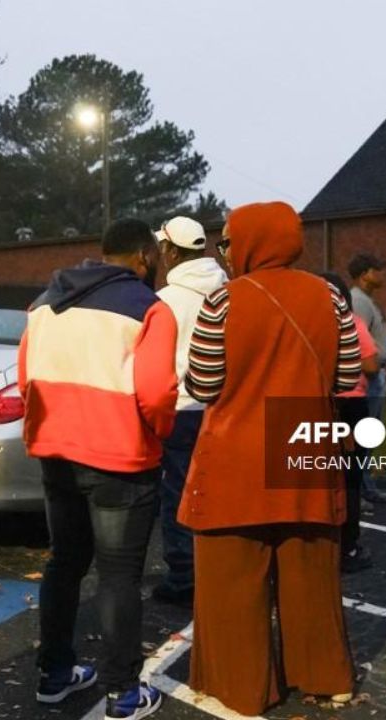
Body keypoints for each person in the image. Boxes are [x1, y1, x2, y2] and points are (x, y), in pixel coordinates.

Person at [182, 201, 359, 716]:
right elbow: (347, 377)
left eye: (229, 242)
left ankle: (244, 688)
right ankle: (327, 678)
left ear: (252, 242)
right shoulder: (328, 295)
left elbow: (204, 384)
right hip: (304, 436)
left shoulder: (223, 301)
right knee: (312, 573)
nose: (226, 252)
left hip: (238, 444)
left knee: (232, 580)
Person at [18, 218, 178, 720]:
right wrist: (159, 433)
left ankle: (55, 674)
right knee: (118, 577)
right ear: (145, 256)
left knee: (64, 563)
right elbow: (156, 393)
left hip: (55, 453)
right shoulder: (151, 309)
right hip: (121, 460)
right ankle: (123, 692)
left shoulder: (45, 303)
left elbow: (27, 380)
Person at [152, 215, 228, 607]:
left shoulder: (166, 300)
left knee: (177, 492)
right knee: (216, 491)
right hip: (221, 407)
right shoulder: (227, 290)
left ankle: (183, 575)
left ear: (171, 250)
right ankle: (217, 567)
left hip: (181, 407)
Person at [322, 272, 381, 574]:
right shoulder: (353, 322)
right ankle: (349, 546)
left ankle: (321, 545)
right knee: (350, 478)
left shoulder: (309, 324)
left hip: (315, 406)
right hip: (351, 404)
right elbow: (371, 364)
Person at [348, 252, 386, 505]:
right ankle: (359, 490)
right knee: (363, 435)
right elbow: (357, 340)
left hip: (378, 374)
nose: (383, 274)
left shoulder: (367, 300)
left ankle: (365, 486)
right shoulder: (360, 302)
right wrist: (372, 369)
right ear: (365, 273)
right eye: (378, 269)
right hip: (369, 377)